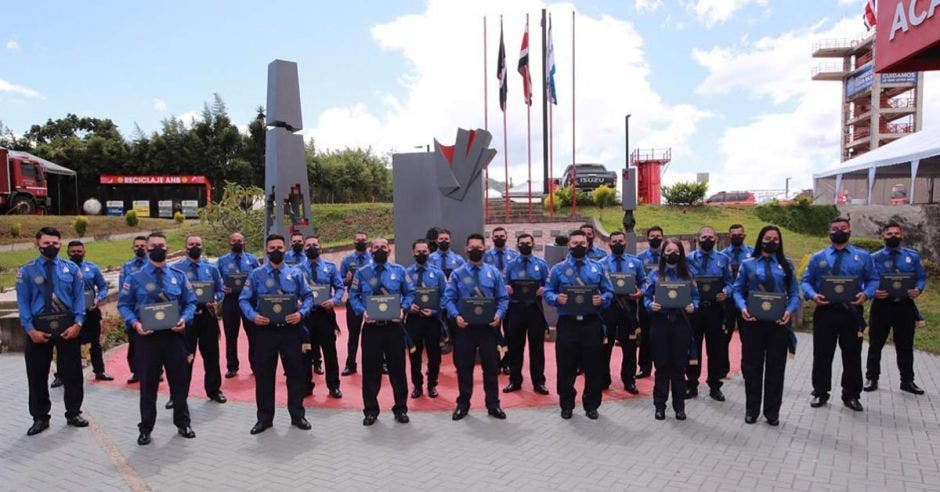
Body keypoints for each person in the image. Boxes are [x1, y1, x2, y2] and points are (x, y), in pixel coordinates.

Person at [117, 232, 197, 445]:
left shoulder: (178, 276)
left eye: (161, 245)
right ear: (147, 248)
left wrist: (184, 318)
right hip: (147, 338)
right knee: (148, 385)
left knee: (179, 383)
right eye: (153, 246)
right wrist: (135, 324)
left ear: (168, 246)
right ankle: (146, 428)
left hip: (174, 337)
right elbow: (123, 305)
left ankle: (183, 423)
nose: (158, 248)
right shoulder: (134, 278)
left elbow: (190, 302)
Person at [16, 227, 88, 436]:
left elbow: (79, 299)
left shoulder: (72, 269)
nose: (51, 247)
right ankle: (40, 417)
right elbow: (23, 303)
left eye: (55, 243)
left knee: (73, 374)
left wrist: (78, 324)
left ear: (60, 244)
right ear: (37, 244)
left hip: (68, 329)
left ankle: (73, 412)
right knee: (37, 376)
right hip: (38, 331)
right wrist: (30, 330)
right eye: (47, 243)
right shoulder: (26, 271)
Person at [801, 217, 877, 412]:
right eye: (835, 228)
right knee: (822, 354)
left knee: (852, 355)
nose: (839, 231)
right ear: (829, 232)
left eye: (843, 228)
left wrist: (866, 294)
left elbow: (874, 280)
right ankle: (820, 392)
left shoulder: (863, 256)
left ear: (850, 231)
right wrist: (812, 295)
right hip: (825, 311)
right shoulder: (818, 257)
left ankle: (851, 395)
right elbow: (806, 281)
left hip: (852, 311)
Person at [239, 234, 314, 434]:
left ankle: (298, 415)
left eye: (279, 247)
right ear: (266, 249)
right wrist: (253, 316)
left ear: (285, 248)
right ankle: (264, 419)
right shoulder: (256, 274)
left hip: (291, 332)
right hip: (265, 332)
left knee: (295, 375)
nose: (276, 251)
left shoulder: (296, 273)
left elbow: (308, 297)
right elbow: (244, 299)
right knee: (264, 376)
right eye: (272, 248)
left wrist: (301, 313)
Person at [732, 225, 801, 425]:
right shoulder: (748, 264)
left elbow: (795, 293)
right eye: (768, 238)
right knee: (752, 368)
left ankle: (772, 412)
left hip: (778, 324)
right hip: (753, 323)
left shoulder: (786, 265)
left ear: (779, 242)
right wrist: (743, 307)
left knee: (776, 369)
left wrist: (789, 310)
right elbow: (737, 291)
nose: (772, 241)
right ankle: (752, 410)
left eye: (775, 239)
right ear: (761, 239)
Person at [545, 230, 614, 420]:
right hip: (567, 324)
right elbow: (548, 292)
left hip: (591, 324)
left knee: (594, 367)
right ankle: (566, 404)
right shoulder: (558, 269)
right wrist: (556, 298)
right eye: (574, 243)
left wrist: (604, 299)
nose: (579, 246)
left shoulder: (598, 268)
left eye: (582, 243)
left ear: (588, 244)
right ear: (568, 245)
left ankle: (592, 405)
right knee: (566, 367)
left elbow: (609, 291)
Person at [350, 237, 415, 426]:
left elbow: (410, 293)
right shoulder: (362, 273)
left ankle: (400, 408)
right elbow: (353, 296)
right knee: (370, 371)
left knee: (398, 371)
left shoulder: (399, 271)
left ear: (389, 250)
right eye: (376, 247)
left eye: (383, 247)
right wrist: (362, 311)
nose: (380, 250)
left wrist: (403, 309)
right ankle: (370, 411)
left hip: (394, 328)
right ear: (371, 250)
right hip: (371, 328)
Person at [444, 233, 509, 421]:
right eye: (471, 248)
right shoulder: (457, 274)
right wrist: (455, 315)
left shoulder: (493, 272)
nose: (475, 250)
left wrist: (499, 315)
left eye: (479, 248)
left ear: (484, 248)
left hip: (488, 329)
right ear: (466, 249)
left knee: (491, 368)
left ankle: (493, 404)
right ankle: (463, 404)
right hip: (465, 329)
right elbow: (449, 299)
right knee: (464, 368)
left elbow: (503, 298)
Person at [865, 222, 927, 395]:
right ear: (883, 236)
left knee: (905, 345)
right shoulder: (874, 258)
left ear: (902, 235)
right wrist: (873, 292)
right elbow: (866, 280)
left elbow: (921, 277)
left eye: (896, 233)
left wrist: (918, 289)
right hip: (882, 305)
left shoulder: (912, 256)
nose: (893, 236)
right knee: (875, 344)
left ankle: (907, 381)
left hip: (905, 305)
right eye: (889, 233)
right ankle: (872, 378)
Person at [644, 238, 699, 421]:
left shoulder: (687, 275)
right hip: (660, 324)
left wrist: (694, 306)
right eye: (668, 251)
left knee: (679, 367)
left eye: (676, 251)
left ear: (681, 253)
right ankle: (659, 406)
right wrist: (650, 305)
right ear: (663, 254)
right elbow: (646, 297)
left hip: (681, 324)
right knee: (661, 367)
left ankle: (679, 407)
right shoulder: (655, 274)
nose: (672, 254)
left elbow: (696, 297)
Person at [171, 234, 226, 407]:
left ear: (202, 247)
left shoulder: (211, 268)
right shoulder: (176, 269)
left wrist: (216, 298)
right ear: (185, 246)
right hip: (187, 320)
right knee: (183, 358)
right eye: (191, 244)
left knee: (211, 356)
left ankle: (214, 390)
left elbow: (220, 289)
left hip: (207, 318)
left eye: (198, 244)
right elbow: (173, 292)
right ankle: (178, 395)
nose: (195, 246)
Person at [685, 226, 734, 402]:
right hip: (695, 311)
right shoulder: (688, 259)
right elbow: (683, 281)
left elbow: (730, 282)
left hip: (715, 310)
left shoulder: (723, 259)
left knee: (716, 350)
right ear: (698, 238)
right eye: (704, 236)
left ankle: (715, 386)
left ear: (716, 239)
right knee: (693, 348)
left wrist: (726, 292)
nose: (707, 239)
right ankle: (691, 384)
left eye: (711, 237)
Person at [502, 233, 550, 395]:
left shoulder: (541, 264)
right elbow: (504, 284)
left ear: (533, 244)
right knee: (516, 347)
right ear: (517, 245)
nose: (525, 245)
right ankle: (515, 381)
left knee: (537, 348)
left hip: (534, 309)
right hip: (516, 310)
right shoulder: (510, 265)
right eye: (522, 243)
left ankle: (539, 382)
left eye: (528, 243)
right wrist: (506, 288)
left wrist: (544, 289)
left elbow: (548, 284)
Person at [298, 235, 345, 399]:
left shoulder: (330, 267)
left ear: (320, 247)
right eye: (308, 245)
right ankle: (306, 386)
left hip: (325, 315)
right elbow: (293, 290)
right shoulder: (297, 269)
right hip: (306, 316)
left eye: (315, 245)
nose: (312, 247)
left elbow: (339, 288)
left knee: (330, 352)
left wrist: (334, 300)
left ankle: (334, 386)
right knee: (305, 353)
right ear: (304, 249)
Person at [600, 231, 646, 394]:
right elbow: (598, 285)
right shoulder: (601, 263)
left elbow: (643, 282)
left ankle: (629, 380)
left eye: (620, 241)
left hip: (628, 308)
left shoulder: (636, 262)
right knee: (606, 346)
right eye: (614, 241)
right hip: (609, 309)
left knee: (630, 347)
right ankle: (604, 379)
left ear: (625, 243)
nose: (618, 243)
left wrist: (641, 292)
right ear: (609, 244)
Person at [64, 240, 112, 382]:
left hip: (90, 312)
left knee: (95, 343)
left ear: (84, 252)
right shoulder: (62, 269)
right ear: (68, 253)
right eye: (73, 252)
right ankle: (62, 375)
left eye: (79, 251)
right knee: (67, 344)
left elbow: (103, 287)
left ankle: (99, 371)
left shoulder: (93, 268)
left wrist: (99, 298)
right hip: (71, 314)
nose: (76, 254)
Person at [215, 232, 261, 378]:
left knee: (253, 335)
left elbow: (259, 277)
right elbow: (217, 280)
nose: (237, 243)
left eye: (239, 240)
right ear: (230, 242)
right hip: (230, 301)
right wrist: (222, 287)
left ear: (244, 242)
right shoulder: (222, 260)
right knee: (231, 335)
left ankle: (255, 365)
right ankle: (232, 367)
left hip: (249, 301)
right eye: (234, 240)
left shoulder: (252, 259)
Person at [405, 239, 447, 399]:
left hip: (433, 320)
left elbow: (445, 296)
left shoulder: (437, 273)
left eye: (424, 251)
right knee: (414, 355)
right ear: (413, 253)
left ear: (429, 252)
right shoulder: (406, 273)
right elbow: (401, 295)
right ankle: (417, 385)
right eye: (418, 251)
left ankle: (432, 385)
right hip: (413, 321)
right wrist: (408, 306)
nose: (421, 254)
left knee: (434, 355)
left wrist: (436, 310)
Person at [720, 224, 752, 379]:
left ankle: (747, 370)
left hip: (746, 302)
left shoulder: (752, 253)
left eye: (740, 234)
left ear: (744, 235)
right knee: (724, 336)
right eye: (734, 235)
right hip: (727, 302)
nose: (737, 237)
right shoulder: (723, 255)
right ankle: (723, 369)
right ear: (729, 236)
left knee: (747, 337)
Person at [340, 232, 371, 376]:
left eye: (363, 240)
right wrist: (346, 280)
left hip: (371, 302)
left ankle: (381, 363)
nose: (361, 242)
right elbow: (339, 282)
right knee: (353, 334)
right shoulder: (347, 260)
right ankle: (350, 364)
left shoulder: (372, 258)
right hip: (353, 301)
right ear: (354, 242)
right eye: (358, 240)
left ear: (367, 241)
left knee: (376, 335)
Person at [119, 235, 149, 384]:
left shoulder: (153, 264)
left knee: (155, 343)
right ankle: (136, 372)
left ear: (148, 247)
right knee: (134, 344)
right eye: (136, 246)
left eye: (142, 245)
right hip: (134, 312)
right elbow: (122, 290)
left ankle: (157, 371)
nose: (140, 248)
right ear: (132, 247)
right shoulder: (127, 267)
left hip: (151, 310)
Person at [636, 226, 664, 379]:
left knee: (661, 335)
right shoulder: (640, 258)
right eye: (652, 235)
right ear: (647, 238)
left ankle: (662, 366)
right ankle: (644, 367)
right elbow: (639, 279)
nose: (655, 238)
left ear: (662, 238)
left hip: (665, 302)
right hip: (646, 301)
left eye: (658, 236)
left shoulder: (666, 256)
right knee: (646, 334)